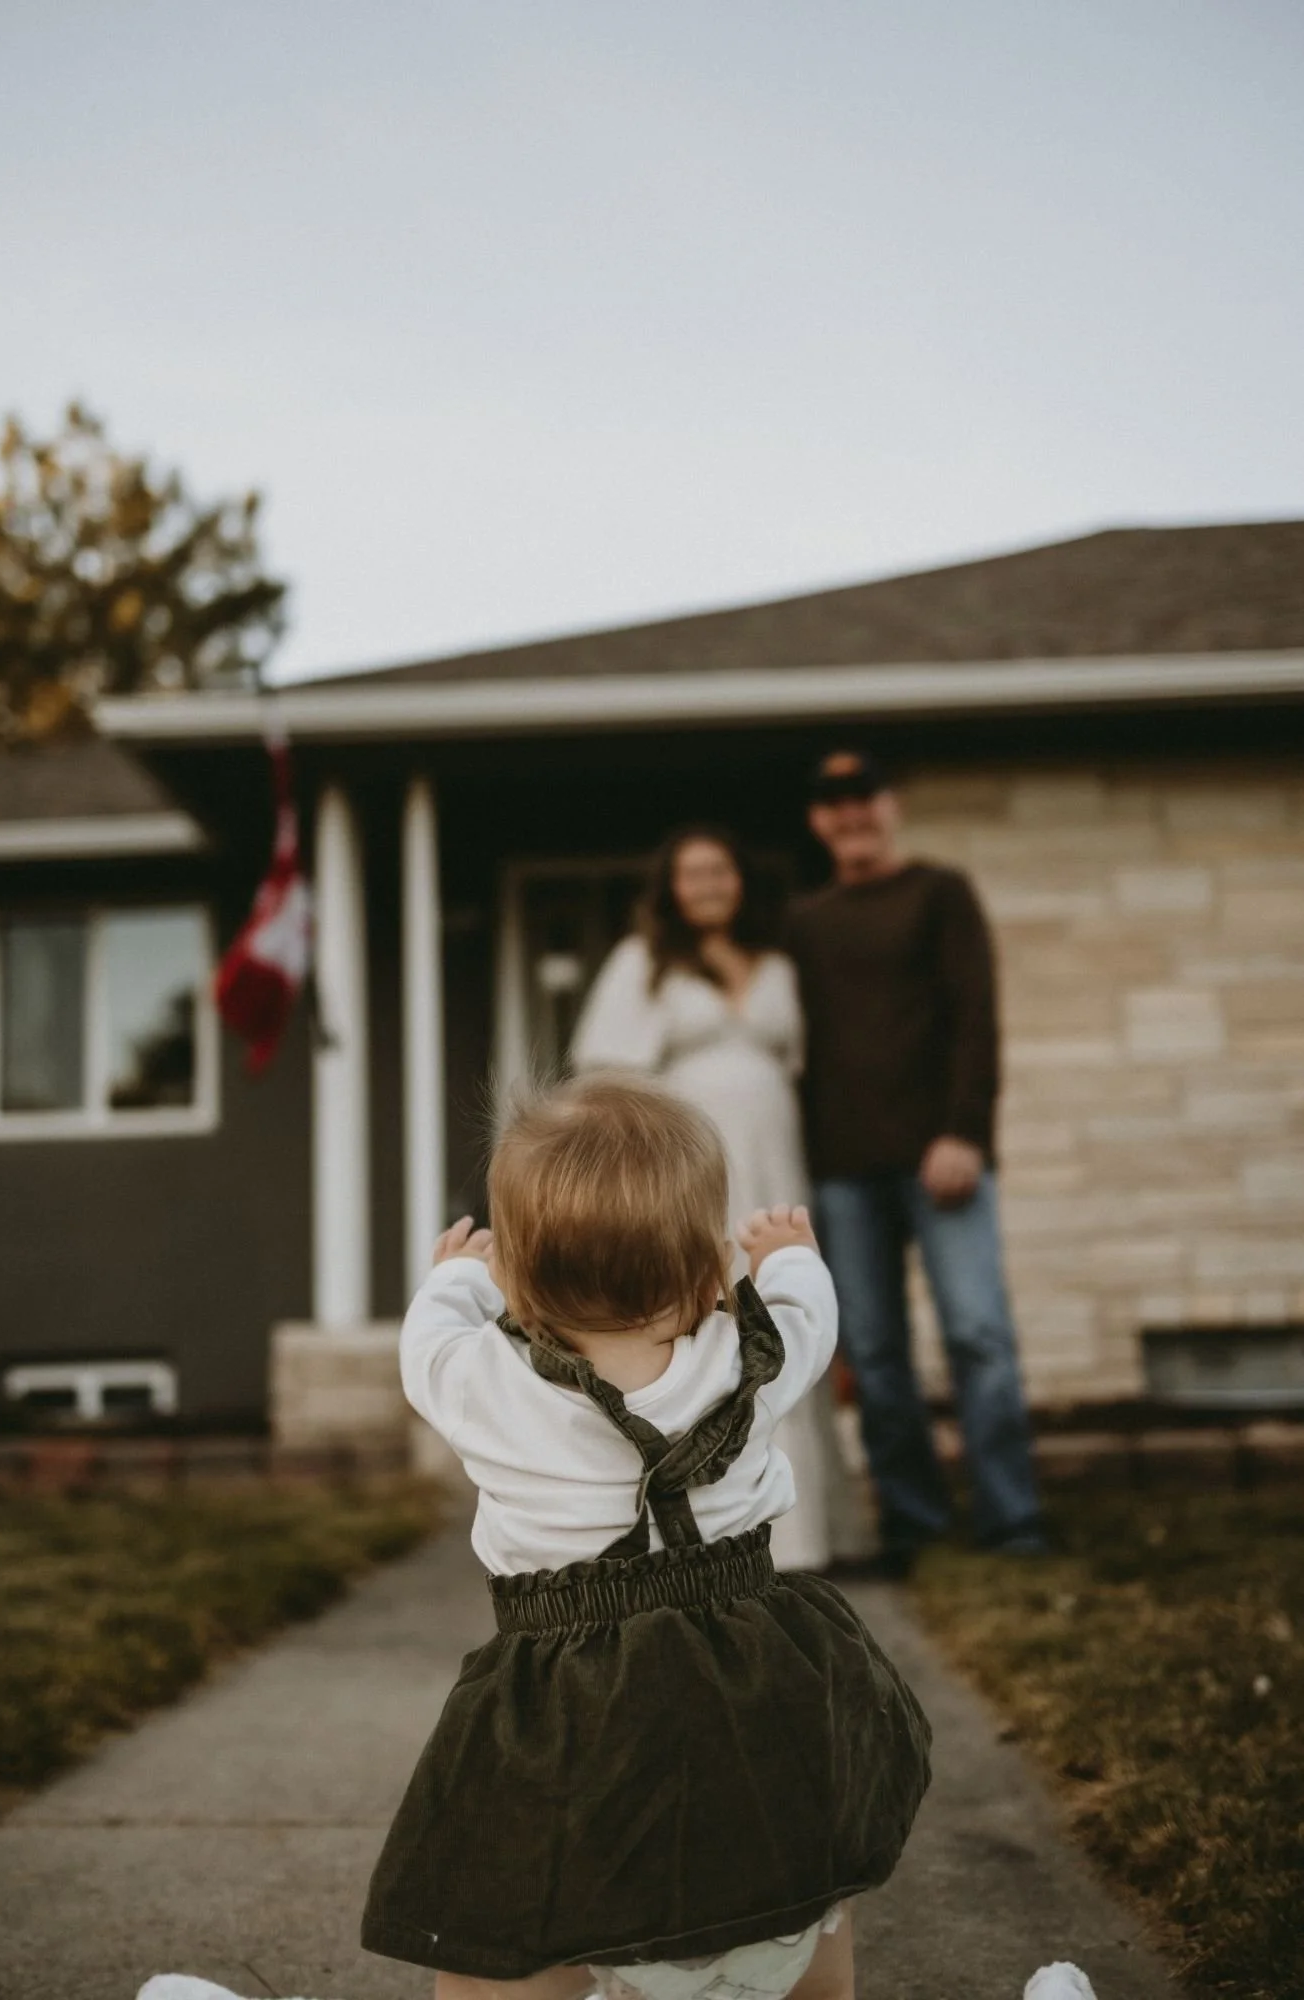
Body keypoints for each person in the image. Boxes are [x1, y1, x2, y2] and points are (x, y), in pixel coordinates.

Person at [361, 1075, 932, 2000]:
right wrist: (788, 1257)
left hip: (573, 1702)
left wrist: (459, 1276)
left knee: (514, 1904)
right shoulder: (748, 1358)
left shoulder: (484, 1382)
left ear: (521, 1284)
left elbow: (424, 1345)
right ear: (710, 1274)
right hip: (760, 1678)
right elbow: (811, 1320)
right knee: (801, 1871)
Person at [569, 825, 874, 1570]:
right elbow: (603, 1074)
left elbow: (803, 1063)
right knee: (719, 1319)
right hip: (699, 1173)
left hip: (779, 1161)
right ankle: (719, 1531)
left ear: (741, 882)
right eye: (693, 873)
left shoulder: (775, 962)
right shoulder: (643, 963)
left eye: (721, 871)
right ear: (671, 886)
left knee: (786, 1309)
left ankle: (808, 1534)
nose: (709, 885)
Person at [786, 750, 1046, 1575]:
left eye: (864, 796)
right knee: (874, 1349)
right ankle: (913, 1522)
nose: (851, 813)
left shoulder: (940, 893)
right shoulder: (804, 922)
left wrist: (965, 1129)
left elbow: (977, 1015)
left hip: (944, 1159)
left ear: (890, 805)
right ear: (817, 821)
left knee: (977, 1334)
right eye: (834, 802)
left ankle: (1012, 1520)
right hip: (842, 1170)